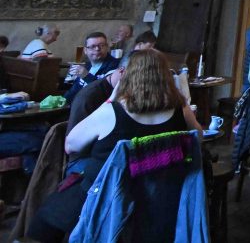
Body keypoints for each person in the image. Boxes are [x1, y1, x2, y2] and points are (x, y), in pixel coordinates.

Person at [27, 49, 202, 243]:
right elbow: (197, 138)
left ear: (127, 74)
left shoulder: (112, 111)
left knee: (43, 220)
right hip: (160, 197)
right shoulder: (180, 109)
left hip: (106, 195)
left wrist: (111, 98)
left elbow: (71, 146)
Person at [63, 32, 118, 104]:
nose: (97, 49)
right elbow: (73, 91)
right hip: (76, 106)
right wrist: (62, 102)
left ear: (107, 47)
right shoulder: (86, 66)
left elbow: (106, 91)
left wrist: (86, 76)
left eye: (101, 45)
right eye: (92, 46)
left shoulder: (115, 66)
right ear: (85, 50)